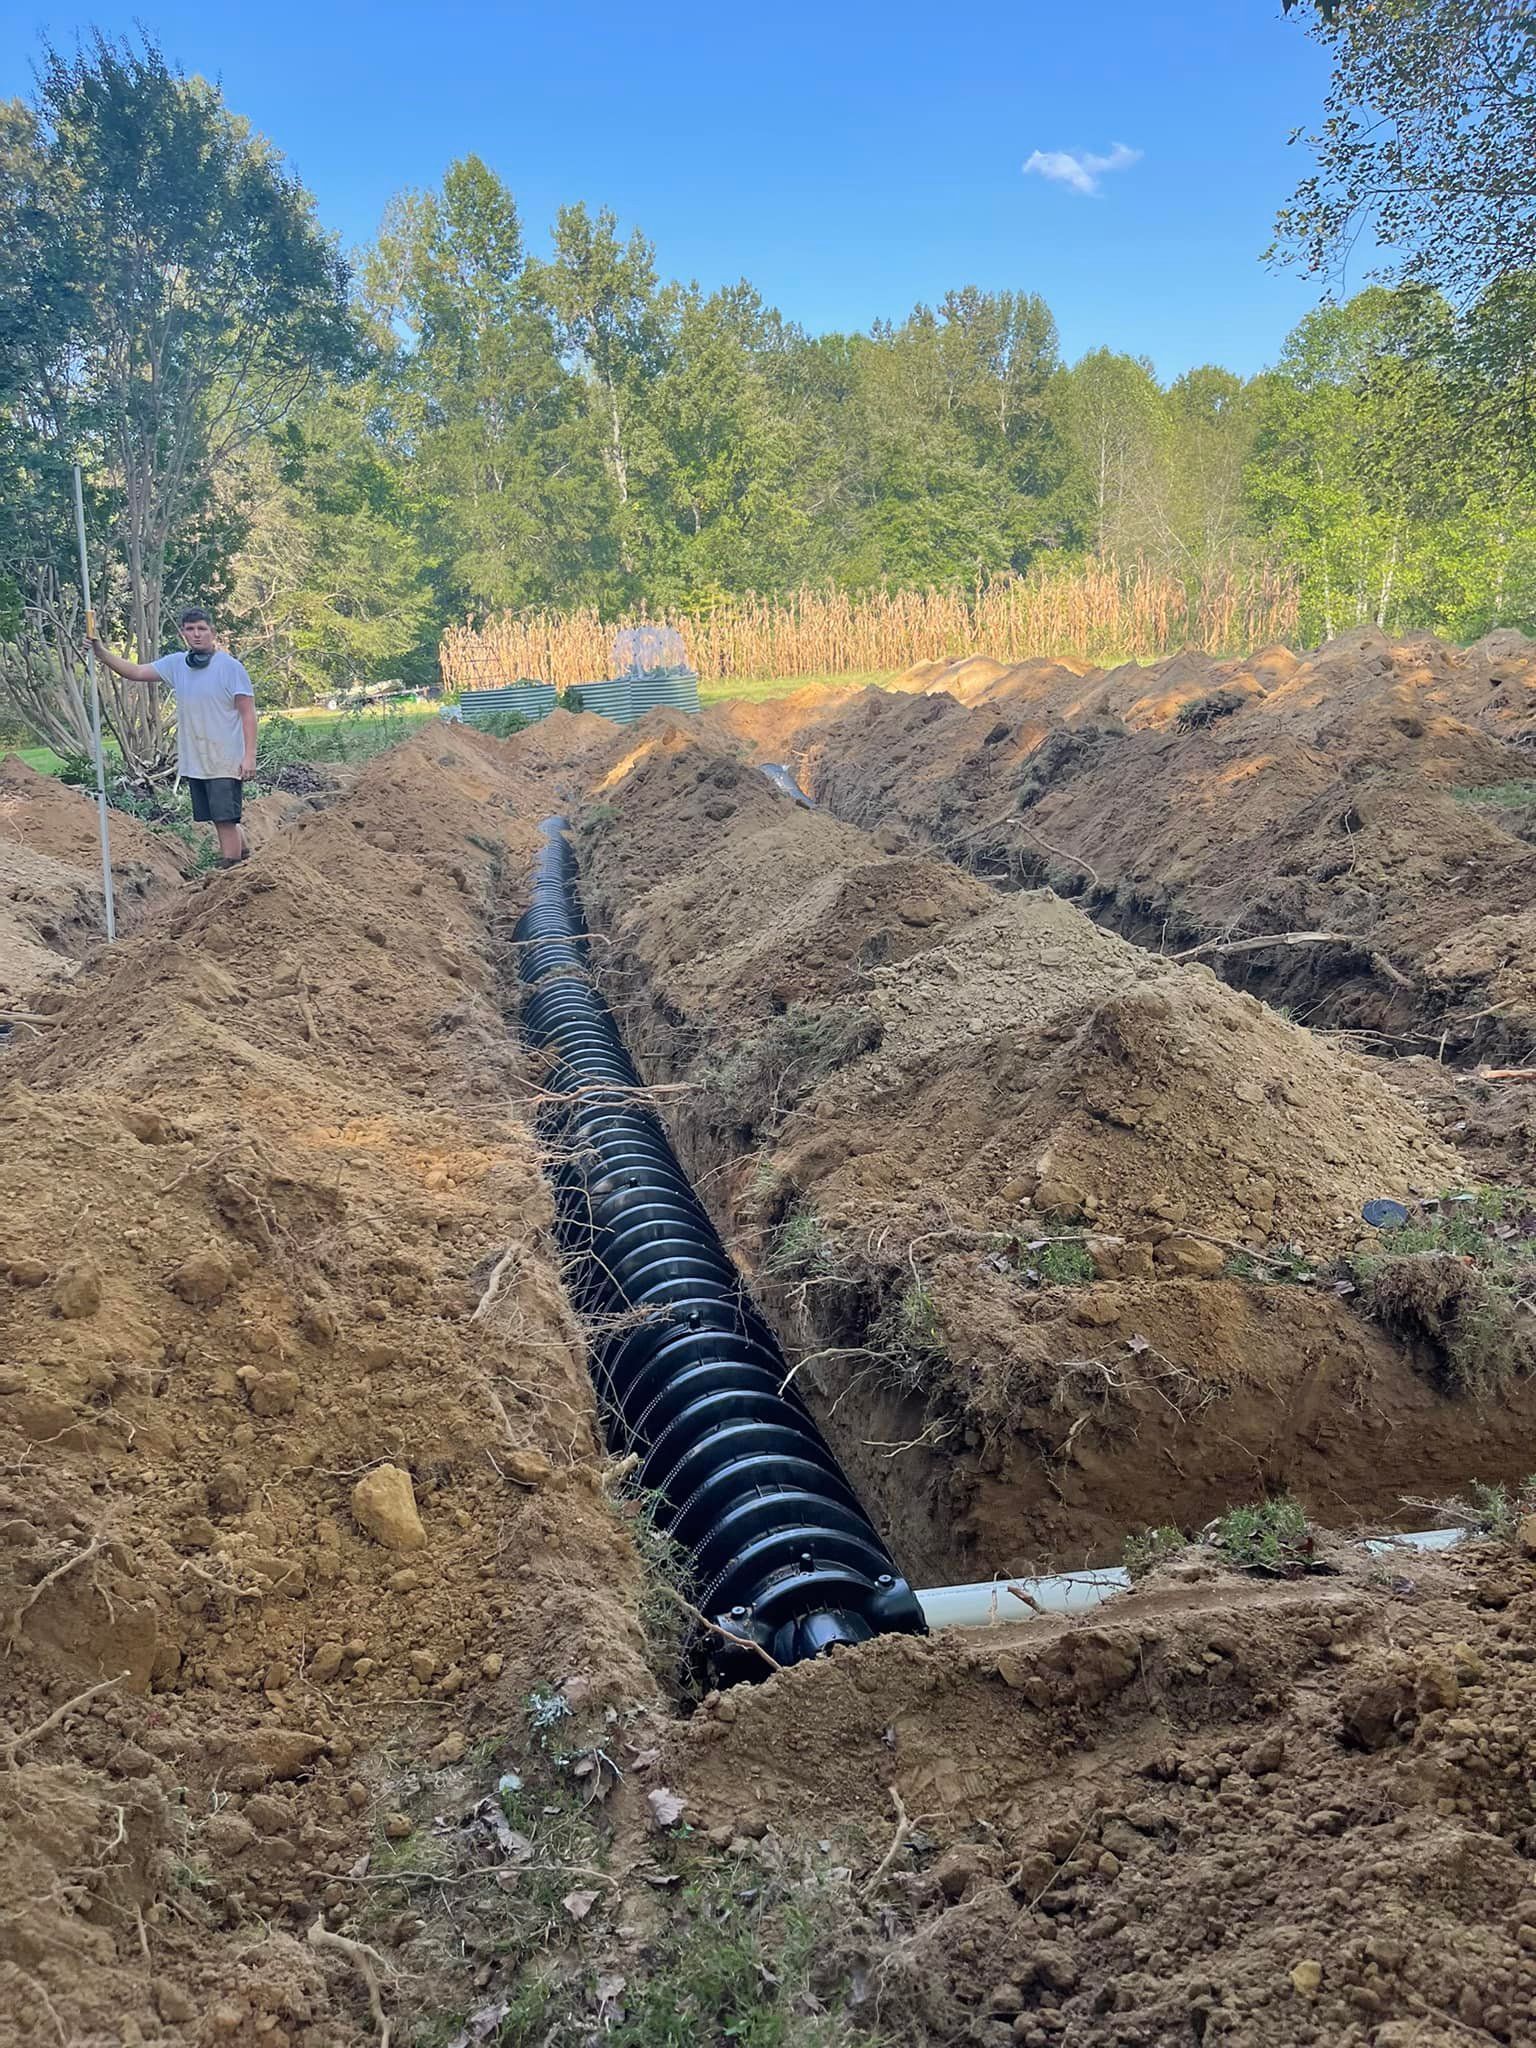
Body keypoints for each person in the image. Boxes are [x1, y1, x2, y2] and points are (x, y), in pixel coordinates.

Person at [90, 607, 258, 866]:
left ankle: (231, 870)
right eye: (190, 630)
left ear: (212, 633)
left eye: (202, 629)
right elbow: (135, 672)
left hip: (225, 758)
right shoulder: (177, 664)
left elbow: (247, 714)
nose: (197, 634)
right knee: (219, 817)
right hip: (197, 759)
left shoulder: (230, 668)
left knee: (225, 818)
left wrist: (249, 756)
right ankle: (243, 850)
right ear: (183, 634)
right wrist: (101, 653)